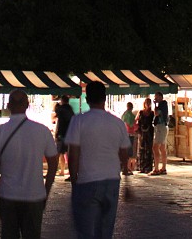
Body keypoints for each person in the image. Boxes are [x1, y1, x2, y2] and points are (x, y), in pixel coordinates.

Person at [0, 89, 58, 239]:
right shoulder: (42, 131)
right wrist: (46, 191)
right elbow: (53, 164)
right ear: (27, 105)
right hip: (34, 195)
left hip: (7, 195)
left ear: (8, 105)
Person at [66, 80, 131, 239]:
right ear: (105, 98)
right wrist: (126, 179)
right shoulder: (117, 123)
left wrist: (74, 180)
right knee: (105, 230)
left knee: (85, 230)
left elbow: (73, 154)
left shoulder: (78, 121)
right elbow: (124, 154)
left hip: (87, 180)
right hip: (112, 181)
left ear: (87, 98)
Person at [53, 94, 74, 177]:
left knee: (58, 153)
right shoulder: (70, 109)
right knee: (68, 154)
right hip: (69, 134)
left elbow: (56, 114)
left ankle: (54, 172)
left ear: (62, 100)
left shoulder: (61, 109)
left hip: (61, 134)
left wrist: (56, 106)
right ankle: (70, 172)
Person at [150, 92, 169, 175]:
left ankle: (156, 168)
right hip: (162, 126)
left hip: (160, 127)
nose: (155, 98)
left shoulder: (162, 104)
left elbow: (156, 113)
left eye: (156, 97)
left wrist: (155, 105)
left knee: (155, 147)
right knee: (162, 147)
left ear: (160, 97)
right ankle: (163, 168)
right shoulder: (163, 104)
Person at [135, 97, 155, 174]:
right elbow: (136, 120)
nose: (148, 104)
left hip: (149, 133)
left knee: (149, 150)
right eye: (147, 103)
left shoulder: (152, 113)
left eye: (149, 103)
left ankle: (148, 167)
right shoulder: (141, 112)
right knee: (141, 149)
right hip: (142, 133)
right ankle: (141, 167)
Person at [120, 102, 136, 173]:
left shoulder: (124, 114)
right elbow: (131, 125)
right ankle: (128, 168)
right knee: (129, 152)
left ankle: (125, 167)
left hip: (124, 134)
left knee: (125, 150)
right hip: (130, 134)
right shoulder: (131, 115)